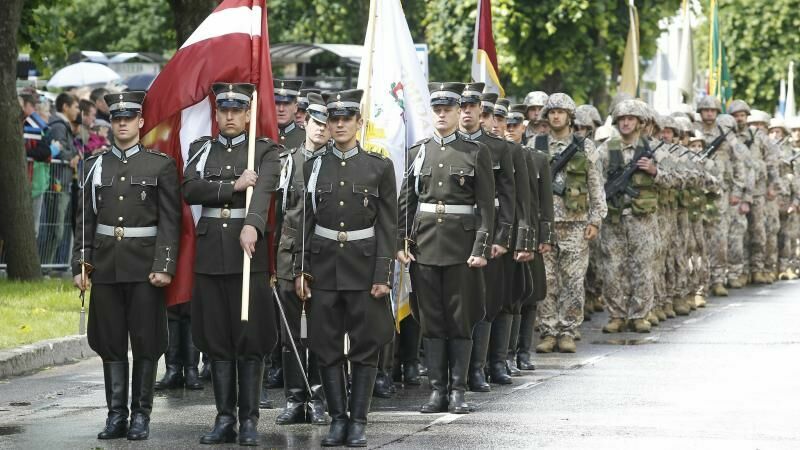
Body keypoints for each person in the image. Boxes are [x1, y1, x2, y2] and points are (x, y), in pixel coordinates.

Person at [71, 91, 181, 441]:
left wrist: (165, 264)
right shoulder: (94, 165)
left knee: (146, 343)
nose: (122, 123)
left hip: (145, 267)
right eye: (116, 118)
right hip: (105, 265)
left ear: (140, 122)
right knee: (110, 342)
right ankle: (116, 415)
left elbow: (170, 221)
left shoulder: (159, 165)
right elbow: (84, 220)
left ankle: (141, 417)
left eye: (128, 117)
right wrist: (81, 264)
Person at [293, 89, 397, 447]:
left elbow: (388, 225)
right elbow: (304, 222)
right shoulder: (313, 165)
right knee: (326, 344)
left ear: (358, 122)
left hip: (365, 265)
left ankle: (358, 422)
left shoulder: (378, 166)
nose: (338, 124)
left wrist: (384, 274)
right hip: (323, 268)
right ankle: (338, 419)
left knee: (366, 346)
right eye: (332, 119)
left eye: (346, 118)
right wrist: (301, 270)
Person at [183, 82, 281, 446]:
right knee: (218, 341)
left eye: (237, 110)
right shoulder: (201, 150)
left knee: (249, 338)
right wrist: (232, 186)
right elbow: (190, 188)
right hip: (211, 256)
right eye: (223, 110)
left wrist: (252, 225)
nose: (229, 116)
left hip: (248, 257)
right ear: (217, 113)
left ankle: (249, 421)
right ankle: (224, 419)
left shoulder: (265, 150)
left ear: (248, 114)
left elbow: (266, 189)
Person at [398, 82, 494, 414]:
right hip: (425, 248)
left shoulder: (475, 152)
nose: (442, 114)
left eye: (448, 109)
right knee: (432, 321)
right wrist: (402, 242)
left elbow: (486, 208)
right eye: (437, 110)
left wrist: (480, 247)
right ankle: (437, 390)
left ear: (458, 112)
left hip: (462, 249)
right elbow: (406, 204)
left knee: (460, 320)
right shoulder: (419, 152)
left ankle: (458, 390)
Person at [532, 93, 606, 352]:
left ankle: (568, 331)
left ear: (569, 116)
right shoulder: (535, 144)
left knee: (573, 281)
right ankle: (549, 331)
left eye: (561, 112)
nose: (556, 115)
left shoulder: (585, 147)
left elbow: (596, 186)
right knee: (547, 280)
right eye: (552, 112)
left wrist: (596, 219)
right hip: (544, 224)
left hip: (576, 224)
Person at [457, 83, 519, 391]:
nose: (467, 111)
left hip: (488, 230)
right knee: (458, 302)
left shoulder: (499, 148)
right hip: (455, 233)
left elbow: (508, 196)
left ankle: (482, 367)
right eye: (463, 106)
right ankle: (457, 370)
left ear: (482, 110)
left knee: (486, 301)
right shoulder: (447, 147)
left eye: (472, 106)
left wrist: (502, 236)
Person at [273, 92, 329, 425]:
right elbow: (275, 218)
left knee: (320, 332)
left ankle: (319, 398)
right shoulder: (287, 161)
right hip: (288, 257)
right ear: (304, 121)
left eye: (326, 124)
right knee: (291, 336)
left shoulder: (338, 163)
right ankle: (295, 399)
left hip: (323, 259)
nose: (321, 129)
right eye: (316, 122)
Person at [598, 100, 671, 333]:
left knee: (642, 267)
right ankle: (617, 315)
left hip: (643, 220)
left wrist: (654, 171)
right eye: (622, 119)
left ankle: (640, 315)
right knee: (612, 268)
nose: (626, 123)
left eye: (631, 118)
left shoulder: (655, 150)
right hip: (614, 219)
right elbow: (595, 182)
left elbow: (678, 180)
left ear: (640, 123)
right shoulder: (605, 150)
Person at [695, 96, 747, 297]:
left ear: (717, 112)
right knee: (697, 239)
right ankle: (699, 282)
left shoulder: (726, 135)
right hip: (696, 193)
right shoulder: (693, 132)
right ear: (700, 112)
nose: (709, 113)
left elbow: (739, 162)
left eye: (712, 110)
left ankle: (718, 279)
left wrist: (737, 190)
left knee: (719, 238)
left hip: (720, 194)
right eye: (705, 110)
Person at [44, 93, 80, 265]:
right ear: (65, 107)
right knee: (54, 229)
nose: (77, 110)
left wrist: (74, 154)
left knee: (58, 229)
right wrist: (71, 157)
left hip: (64, 182)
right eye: (75, 106)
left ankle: (46, 267)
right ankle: (44, 268)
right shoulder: (59, 126)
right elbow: (57, 149)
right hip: (58, 182)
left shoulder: (63, 125)